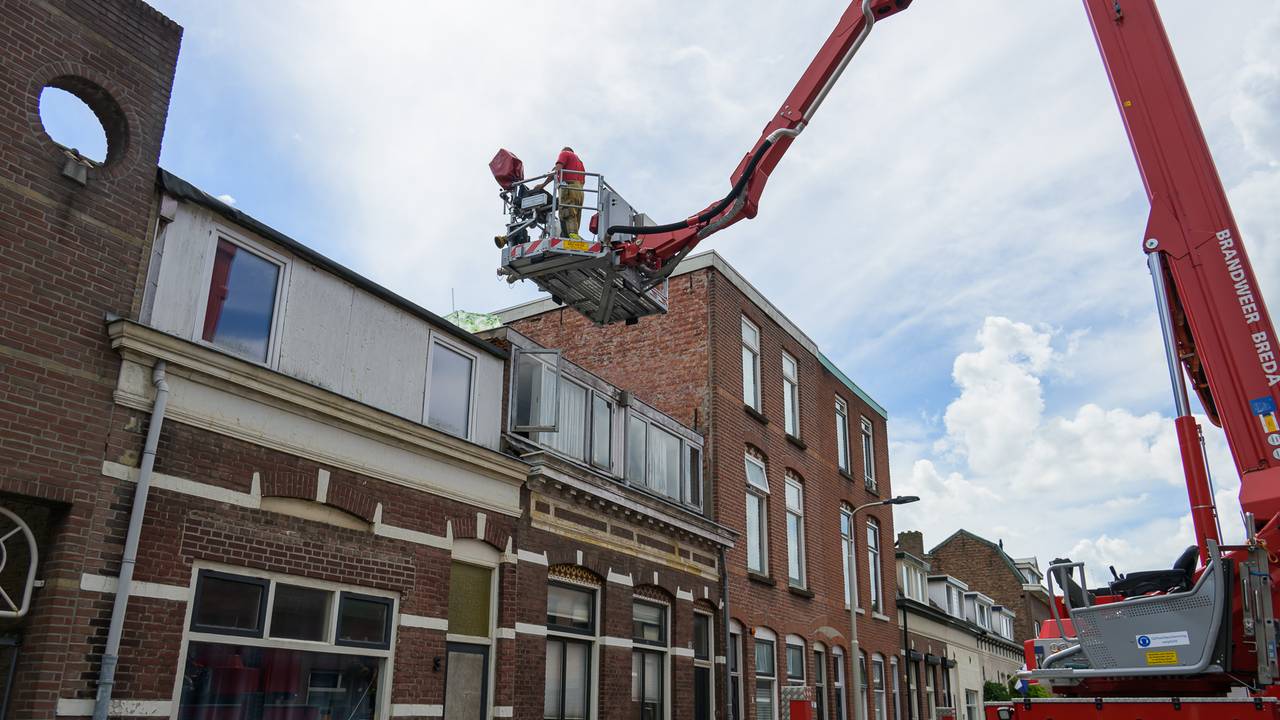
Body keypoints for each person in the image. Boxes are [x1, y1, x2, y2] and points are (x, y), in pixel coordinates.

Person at [545, 146, 585, 239]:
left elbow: (557, 170)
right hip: (580, 190)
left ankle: (571, 235)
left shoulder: (564, 153)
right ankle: (575, 235)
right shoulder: (580, 163)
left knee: (567, 212)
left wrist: (542, 185)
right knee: (576, 213)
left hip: (568, 186)